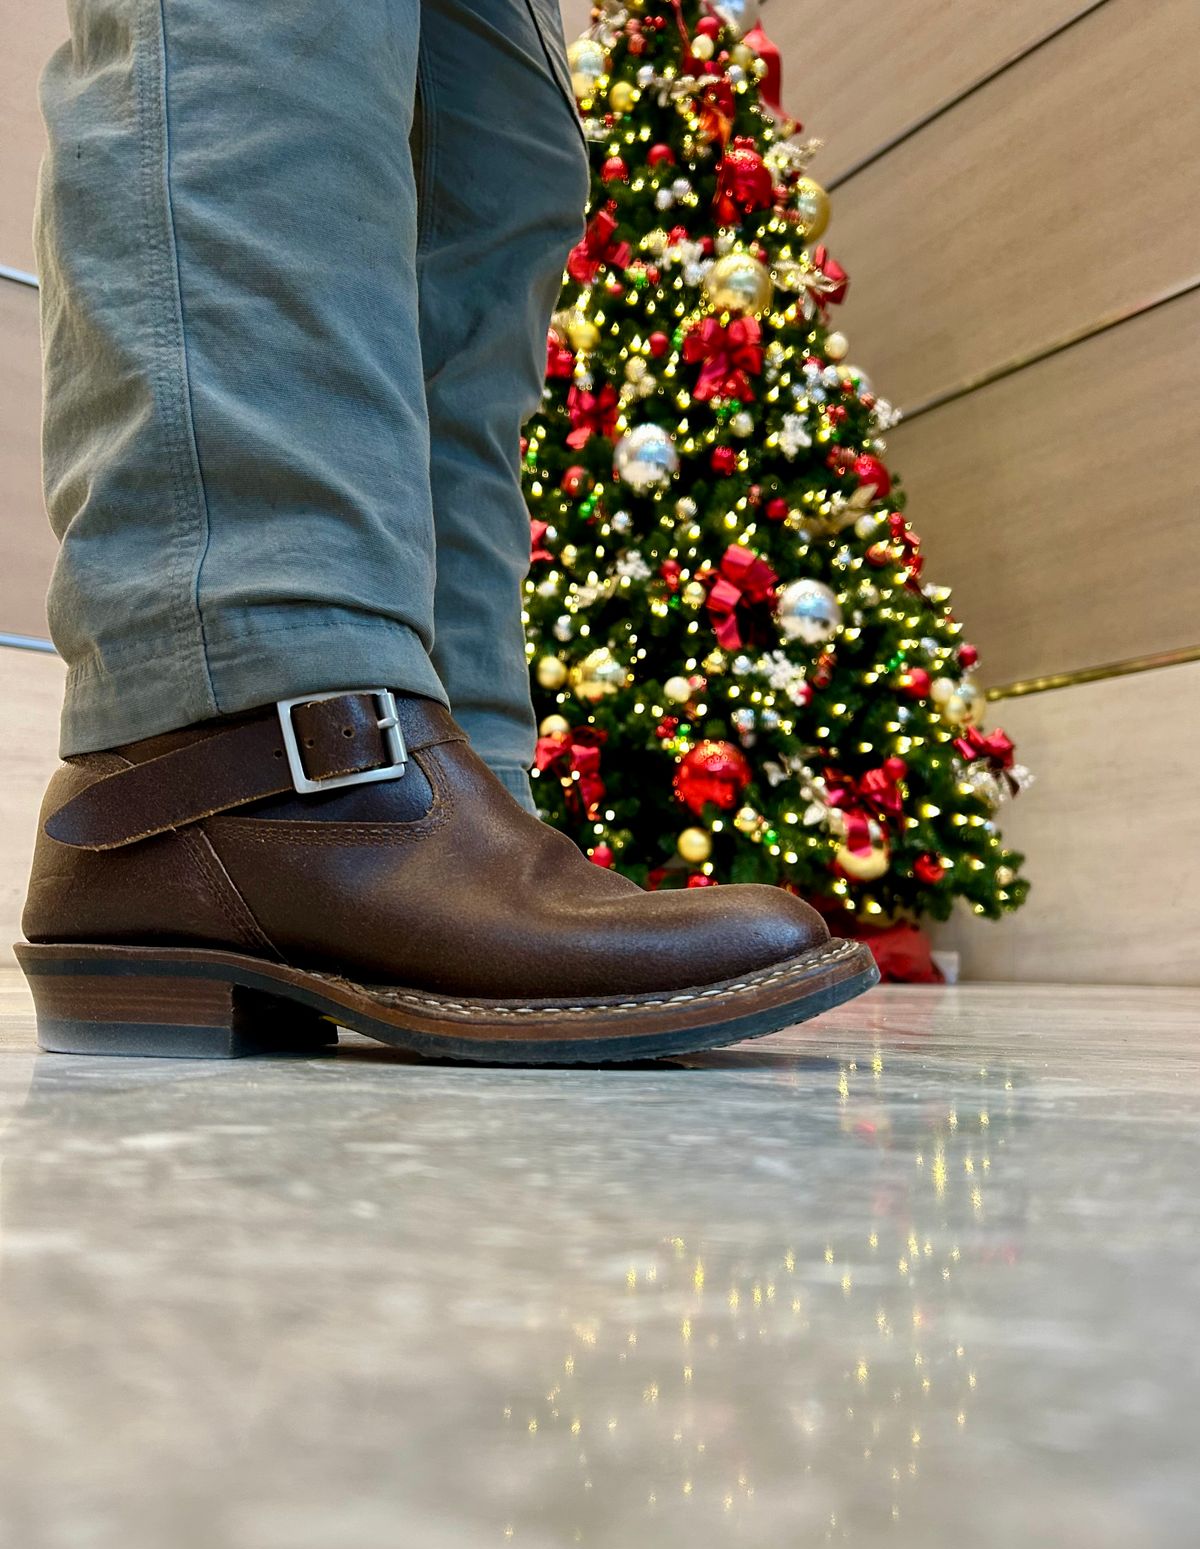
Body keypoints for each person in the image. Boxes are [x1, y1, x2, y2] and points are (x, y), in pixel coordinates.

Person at [17, 0, 877, 1063]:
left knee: (495, 146)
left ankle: (454, 769)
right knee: (277, 39)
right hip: (235, 748)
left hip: (436, 760)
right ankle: (262, 722)